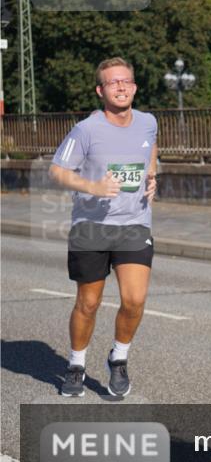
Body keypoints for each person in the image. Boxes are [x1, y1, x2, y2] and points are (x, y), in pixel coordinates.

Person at [50, 57, 158, 398]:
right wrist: (93, 187)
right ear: (101, 90)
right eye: (113, 83)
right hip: (91, 227)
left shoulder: (148, 122)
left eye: (126, 81)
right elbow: (58, 171)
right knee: (89, 302)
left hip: (133, 223)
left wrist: (153, 175)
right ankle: (76, 364)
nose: (121, 87)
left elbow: (151, 149)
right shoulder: (86, 130)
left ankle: (119, 357)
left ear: (135, 87)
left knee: (134, 299)